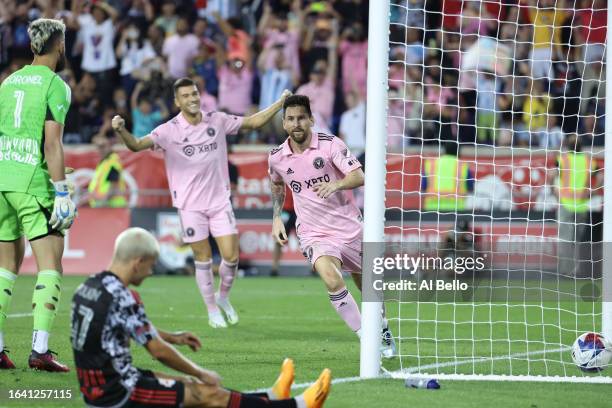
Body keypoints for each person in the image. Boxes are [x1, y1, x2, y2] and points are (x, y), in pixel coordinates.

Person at [71, 227, 331, 408]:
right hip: (118, 391)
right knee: (205, 392)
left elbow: (121, 326)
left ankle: (271, 396)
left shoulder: (89, 287)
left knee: (186, 385)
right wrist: (201, 371)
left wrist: (175, 336)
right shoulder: (123, 296)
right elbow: (158, 351)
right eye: (150, 265)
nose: (151, 272)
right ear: (137, 262)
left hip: (102, 382)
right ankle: (297, 405)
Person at [111, 77, 291, 329]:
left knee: (231, 256)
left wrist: (280, 103)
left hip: (219, 201)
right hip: (190, 205)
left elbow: (252, 122)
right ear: (177, 101)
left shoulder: (216, 120)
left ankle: (223, 298)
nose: (192, 99)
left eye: (194, 93)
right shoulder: (168, 130)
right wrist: (121, 130)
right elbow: (136, 145)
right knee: (203, 258)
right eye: (185, 96)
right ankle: (211, 311)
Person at [268, 95, 395, 356]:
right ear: (284, 124)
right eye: (290, 119)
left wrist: (335, 184)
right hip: (314, 232)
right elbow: (277, 185)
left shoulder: (330, 145)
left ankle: (382, 328)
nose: (296, 124)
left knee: (369, 288)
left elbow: (358, 175)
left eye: (301, 118)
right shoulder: (277, 157)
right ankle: (366, 338)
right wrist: (276, 217)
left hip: (349, 227)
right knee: (331, 278)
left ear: (311, 119)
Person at [0, 18, 76, 371]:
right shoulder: (55, 85)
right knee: (51, 264)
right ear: (59, 44)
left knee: (5, 269)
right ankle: (40, 351)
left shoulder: (8, 82)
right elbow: (51, 143)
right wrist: (61, 191)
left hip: (3, 181)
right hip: (31, 184)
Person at [421, 141, 474, 212]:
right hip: (456, 209)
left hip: (432, 209)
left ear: (444, 150)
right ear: (458, 151)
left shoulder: (431, 164)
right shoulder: (462, 165)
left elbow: (423, 186)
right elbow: (470, 188)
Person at [88, 135, 128, 208]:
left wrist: (102, 202)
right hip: (107, 206)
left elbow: (113, 186)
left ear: (110, 146)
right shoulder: (104, 162)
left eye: (103, 146)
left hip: (111, 206)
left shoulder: (112, 161)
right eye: (99, 147)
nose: (101, 150)